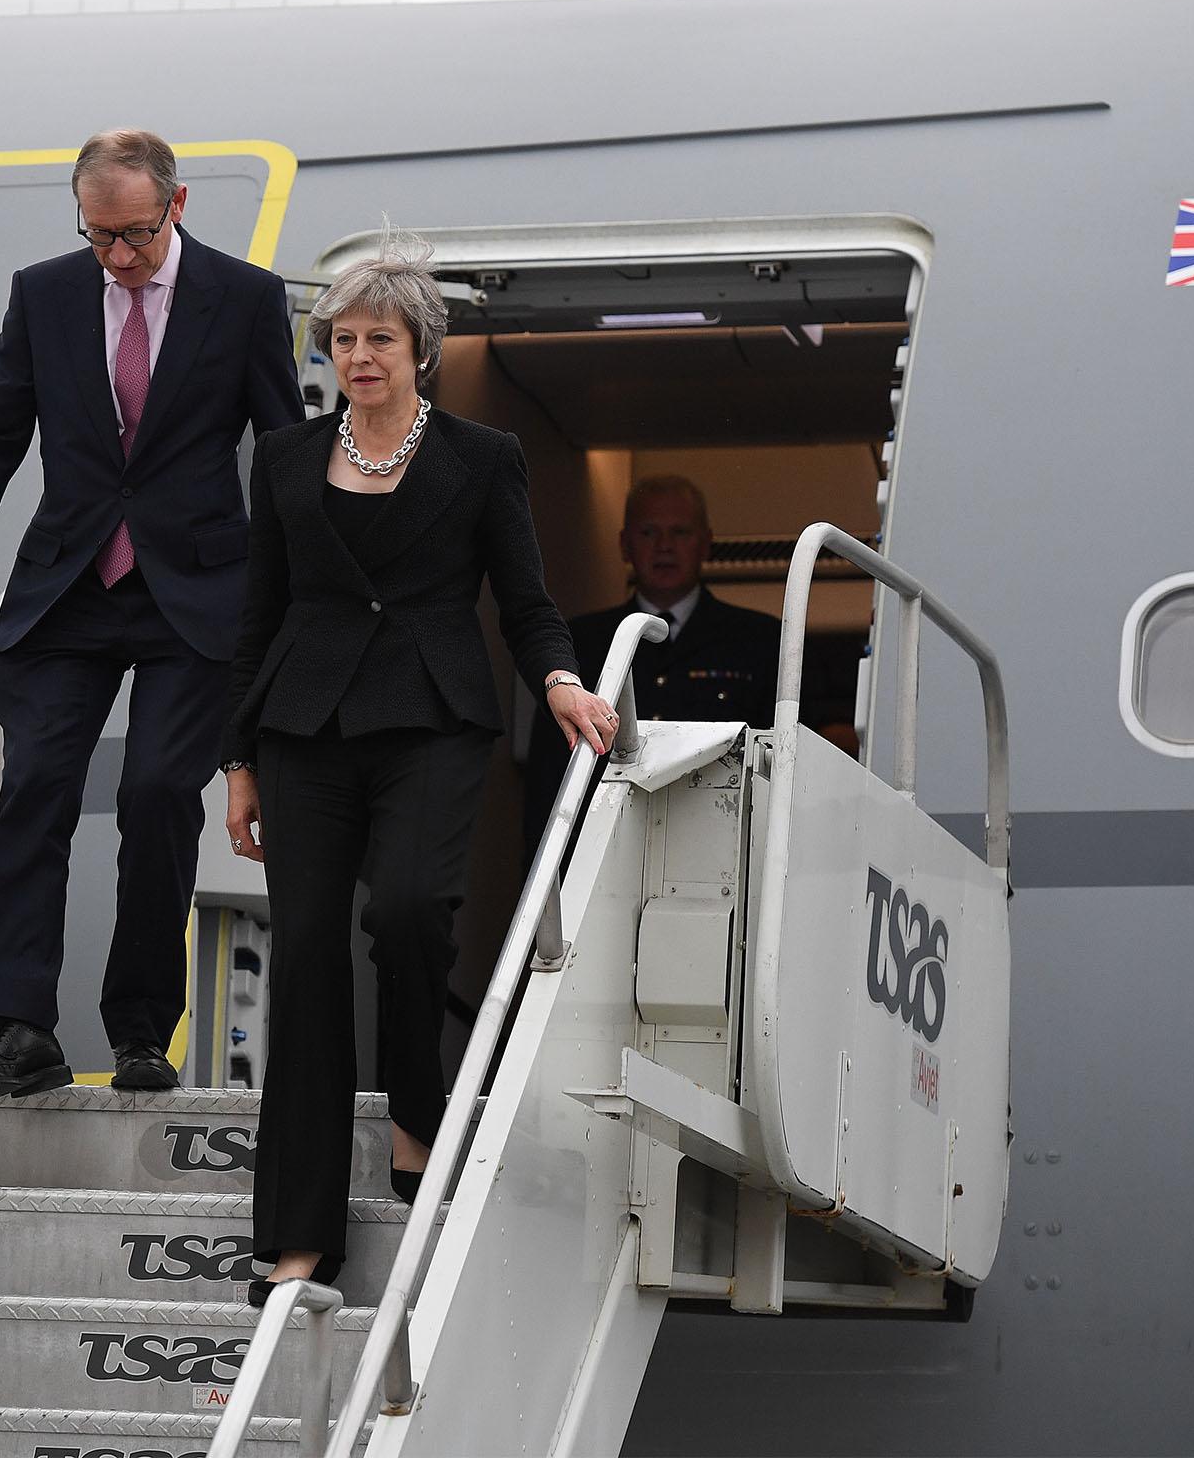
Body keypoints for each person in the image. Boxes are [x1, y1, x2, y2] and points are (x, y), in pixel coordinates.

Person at [221, 233, 616, 1305]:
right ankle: (297, 1244)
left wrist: (560, 683)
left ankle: (412, 1112)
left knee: (405, 910)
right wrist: (238, 759)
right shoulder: (289, 457)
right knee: (303, 957)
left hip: (433, 720)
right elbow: (256, 615)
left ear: (419, 350)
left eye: (378, 339)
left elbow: (525, 601)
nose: (358, 356)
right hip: (303, 729)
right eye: (343, 339)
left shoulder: (481, 458)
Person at [0, 129, 303, 1102]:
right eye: (98, 233)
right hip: (68, 588)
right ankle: (18, 1030)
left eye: (136, 236)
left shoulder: (241, 299)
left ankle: (142, 1031)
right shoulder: (46, 294)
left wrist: (299, 594)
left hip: (193, 596)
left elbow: (281, 450)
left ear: (177, 206)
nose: (116, 256)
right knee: (33, 791)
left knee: (157, 795)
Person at [521, 474, 782, 851]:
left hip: (720, 842)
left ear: (706, 543)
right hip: (602, 846)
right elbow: (549, 773)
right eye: (648, 533)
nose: (664, 547)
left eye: (679, 532)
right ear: (625, 545)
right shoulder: (578, 641)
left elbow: (777, 762)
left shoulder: (759, 639)